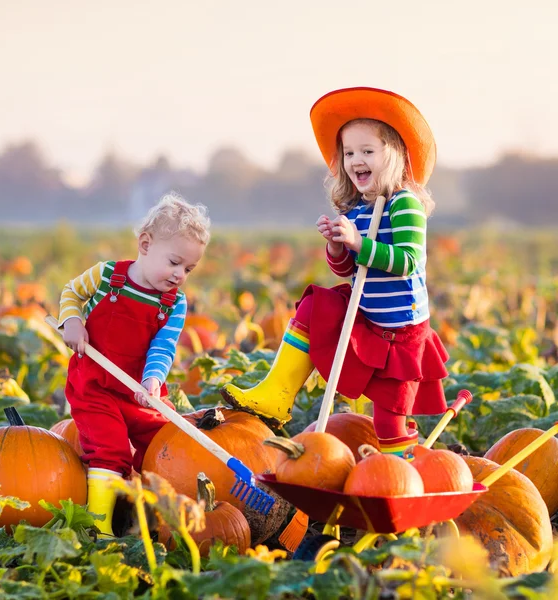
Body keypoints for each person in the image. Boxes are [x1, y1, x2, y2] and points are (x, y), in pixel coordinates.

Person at [221, 87, 448, 458]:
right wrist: (338, 247)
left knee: (389, 424)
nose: (356, 159)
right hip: (369, 321)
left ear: (395, 156)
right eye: (348, 153)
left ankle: (400, 477)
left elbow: (406, 260)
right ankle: (277, 393)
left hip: (402, 336)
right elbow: (348, 272)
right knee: (317, 305)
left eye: (367, 151)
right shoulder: (358, 208)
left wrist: (359, 243)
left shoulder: (404, 204)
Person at [58, 192, 210, 535]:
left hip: (140, 389)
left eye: (188, 269)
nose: (179, 274)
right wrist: (71, 321)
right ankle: (101, 528)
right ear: (145, 244)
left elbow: (163, 346)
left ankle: (163, 519)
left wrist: (152, 380)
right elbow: (70, 293)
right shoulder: (106, 276)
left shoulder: (174, 303)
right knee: (109, 448)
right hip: (95, 385)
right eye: (174, 262)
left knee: (165, 445)